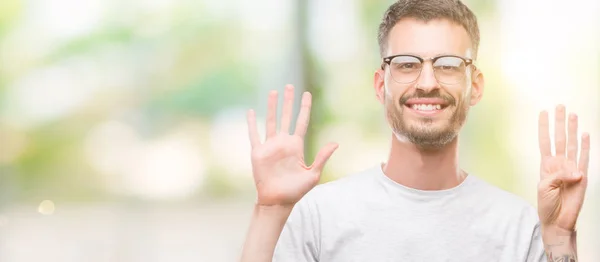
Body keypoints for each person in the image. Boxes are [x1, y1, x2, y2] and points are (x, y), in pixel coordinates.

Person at [240, 0, 591, 261]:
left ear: (476, 86)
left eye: (449, 65)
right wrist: (269, 210)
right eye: (407, 64)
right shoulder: (321, 215)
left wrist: (560, 236)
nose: (427, 83)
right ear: (381, 85)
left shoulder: (516, 225)